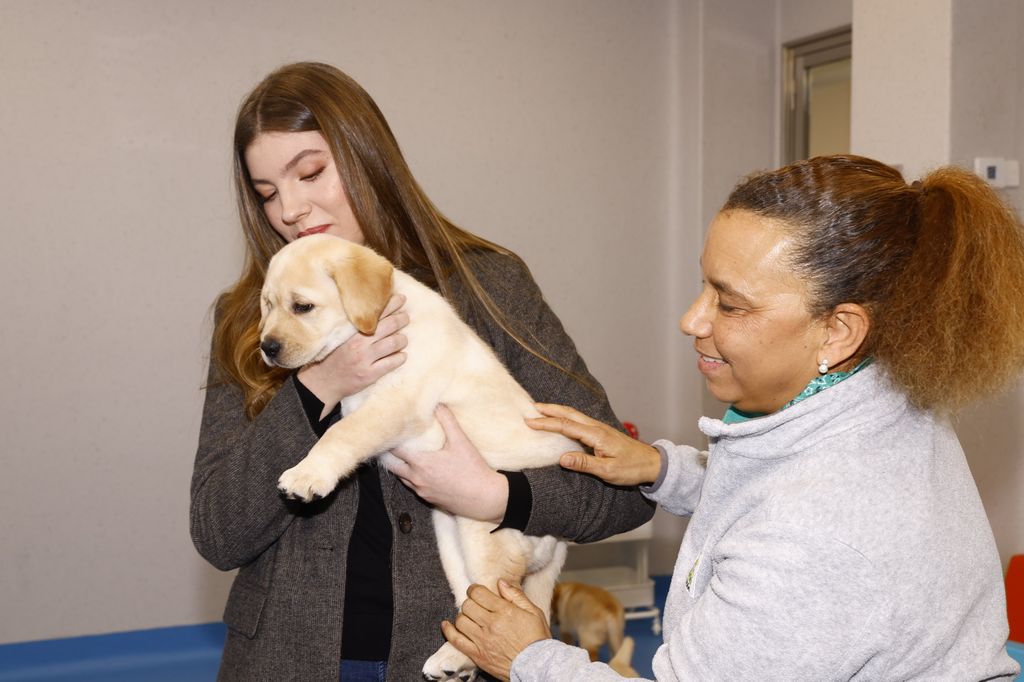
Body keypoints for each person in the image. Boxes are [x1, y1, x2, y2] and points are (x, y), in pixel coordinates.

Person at [440, 155, 1024, 681]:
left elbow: (806, 524)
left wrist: (530, 658)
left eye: (731, 303)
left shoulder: (824, 532)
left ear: (837, 330)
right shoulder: (885, 400)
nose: (692, 320)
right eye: (705, 286)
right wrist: (664, 470)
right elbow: (777, 490)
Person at [189, 62, 654, 682]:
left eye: (311, 172)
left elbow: (619, 490)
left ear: (366, 157)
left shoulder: (488, 284)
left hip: (463, 654)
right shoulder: (257, 318)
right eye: (268, 192)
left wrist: (499, 494)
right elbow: (219, 533)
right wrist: (317, 388)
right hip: (285, 659)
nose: (291, 209)